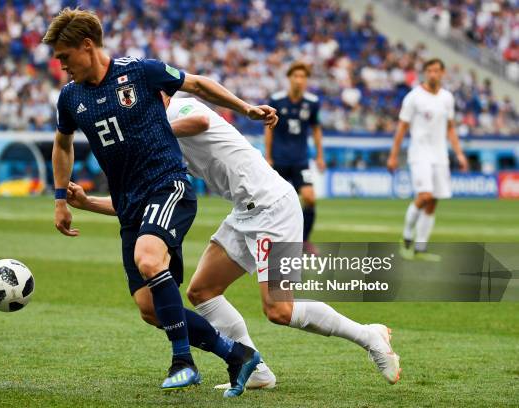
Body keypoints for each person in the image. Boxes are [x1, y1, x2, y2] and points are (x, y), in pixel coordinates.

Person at [67, 94, 402, 388]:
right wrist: (88, 203)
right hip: (245, 212)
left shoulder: (180, 107)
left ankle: (368, 335)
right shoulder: (161, 141)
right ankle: (256, 369)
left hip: (274, 206)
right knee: (202, 291)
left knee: (278, 310)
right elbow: (145, 198)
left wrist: (154, 132)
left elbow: (198, 120)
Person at [43, 8, 277, 397]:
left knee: (149, 260)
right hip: (130, 203)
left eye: (64, 56)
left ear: (87, 46)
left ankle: (183, 362)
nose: (61, 65)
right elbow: (62, 143)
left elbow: (198, 84)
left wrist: (246, 109)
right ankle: (236, 355)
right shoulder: (70, 98)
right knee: (150, 308)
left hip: (168, 187)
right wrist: (60, 198)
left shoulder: (139, 72)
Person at [387, 58, 468, 261]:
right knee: (424, 196)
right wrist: (393, 155)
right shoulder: (413, 97)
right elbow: (402, 128)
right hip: (419, 153)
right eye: (429, 70)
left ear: (443, 73)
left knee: (433, 202)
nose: (433, 74)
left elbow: (450, 127)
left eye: (437, 71)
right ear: (425, 73)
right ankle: (406, 236)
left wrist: (459, 153)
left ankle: (420, 248)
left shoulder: (447, 98)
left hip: (440, 155)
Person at [265, 61, 325, 253]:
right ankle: (270, 240)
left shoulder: (312, 102)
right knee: (272, 203)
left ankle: (304, 241)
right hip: (279, 159)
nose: (299, 80)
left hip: (300, 160)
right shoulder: (276, 100)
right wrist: (268, 156)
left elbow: (316, 130)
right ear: (289, 78)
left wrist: (320, 156)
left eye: (303, 77)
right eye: (295, 76)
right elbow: (268, 129)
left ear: (306, 80)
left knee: (310, 198)